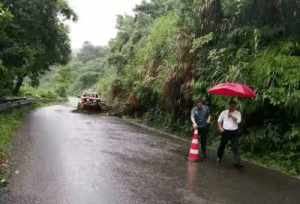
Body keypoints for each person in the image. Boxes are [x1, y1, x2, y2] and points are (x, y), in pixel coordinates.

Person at [217, 100, 243, 168]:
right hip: (225, 131)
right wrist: (220, 128)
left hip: (234, 132)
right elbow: (219, 121)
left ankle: (237, 162)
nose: (232, 107)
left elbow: (239, 121)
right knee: (222, 145)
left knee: (235, 147)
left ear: (235, 106)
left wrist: (232, 116)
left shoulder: (238, 113)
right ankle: (219, 157)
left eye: (233, 106)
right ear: (229, 105)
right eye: (231, 106)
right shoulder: (224, 112)